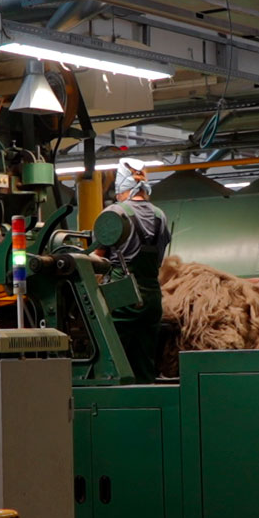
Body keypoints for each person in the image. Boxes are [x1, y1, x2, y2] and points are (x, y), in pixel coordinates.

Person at [96, 158, 171, 382]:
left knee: (114, 361)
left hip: (122, 298)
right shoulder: (160, 216)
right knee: (144, 364)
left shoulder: (113, 214)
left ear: (122, 188)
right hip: (151, 298)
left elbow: (96, 260)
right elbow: (158, 259)